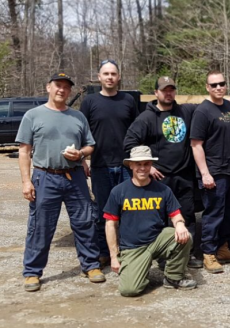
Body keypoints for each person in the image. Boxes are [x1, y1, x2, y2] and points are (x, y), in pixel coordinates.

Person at [17, 72, 105, 292]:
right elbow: (24, 151)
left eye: (66, 87)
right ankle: (32, 272)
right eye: (58, 85)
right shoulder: (33, 115)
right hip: (45, 176)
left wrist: (81, 154)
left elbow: (90, 145)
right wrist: (26, 182)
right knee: (41, 226)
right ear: (48, 87)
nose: (62, 90)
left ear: (70, 91)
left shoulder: (78, 117)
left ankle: (91, 265)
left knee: (85, 222)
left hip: (74, 176)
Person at [124, 76, 203, 269]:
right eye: (164, 90)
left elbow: (211, 105)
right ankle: (162, 255)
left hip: (184, 175)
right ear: (156, 93)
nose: (168, 93)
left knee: (187, 216)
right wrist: (148, 167)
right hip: (160, 178)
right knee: (160, 219)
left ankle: (188, 253)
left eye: (171, 89)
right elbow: (129, 145)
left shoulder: (186, 111)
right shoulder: (146, 118)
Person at [104, 146, 197, 296]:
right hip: (133, 247)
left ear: (151, 165)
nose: (142, 168)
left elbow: (176, 214)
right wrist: (114, 257)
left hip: (157, 241)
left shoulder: (163, 190)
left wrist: (180, 225)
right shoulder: (119, 191)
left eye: (146, 164)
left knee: (185, 236)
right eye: (138, 164)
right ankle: (139, 270)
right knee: (129, 290)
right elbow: (110, 224)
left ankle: (173, 277)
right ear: (131, 165)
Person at [80, 59, 137, 266]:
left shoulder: (128, 100)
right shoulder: (90, 102)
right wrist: (82, 160)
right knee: (103, 211)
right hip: (100, 166)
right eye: (106, 74)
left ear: (118, 76)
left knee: (128, 209)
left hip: (125, 166)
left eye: (113, 74)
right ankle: (104, 251)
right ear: (99, 77)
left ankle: (129, 249)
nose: (110, 77)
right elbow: (82, 133)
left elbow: (136, 131)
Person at [191, 71, 230, 273]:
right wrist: (205, 173)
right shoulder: (203, 112)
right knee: (213, 214)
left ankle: (223, 248)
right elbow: (196, 145)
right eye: (214, 85)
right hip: (213, 172)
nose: (218, 88)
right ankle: (208, 253)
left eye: (221, 84)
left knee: (229, 213)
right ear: (207, 87)